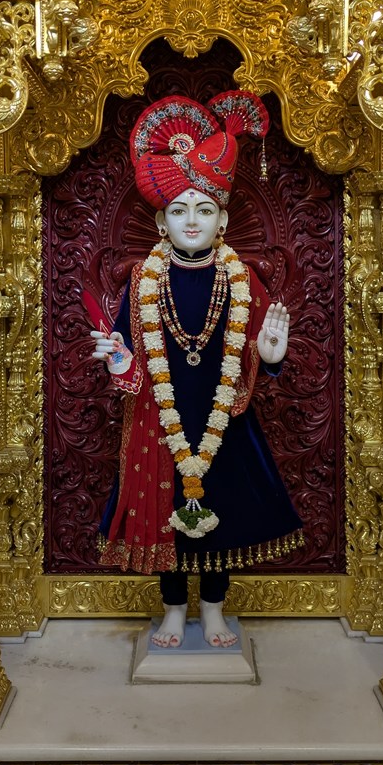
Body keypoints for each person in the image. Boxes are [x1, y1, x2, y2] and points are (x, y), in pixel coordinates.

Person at [91, 91, 303, 648]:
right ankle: (170, 610)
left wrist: (270, 358)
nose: (192, 220)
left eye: (204, 209)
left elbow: (259, 347)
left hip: (223, 421)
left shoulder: (242, 279)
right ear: (161, 220)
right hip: (159, 420)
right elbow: (128, 356)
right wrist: (118, 359)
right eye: (180, 210)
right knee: (164, 514)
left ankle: (212, 611)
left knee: (222, 513)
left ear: (223, 219)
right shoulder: (143, 279)